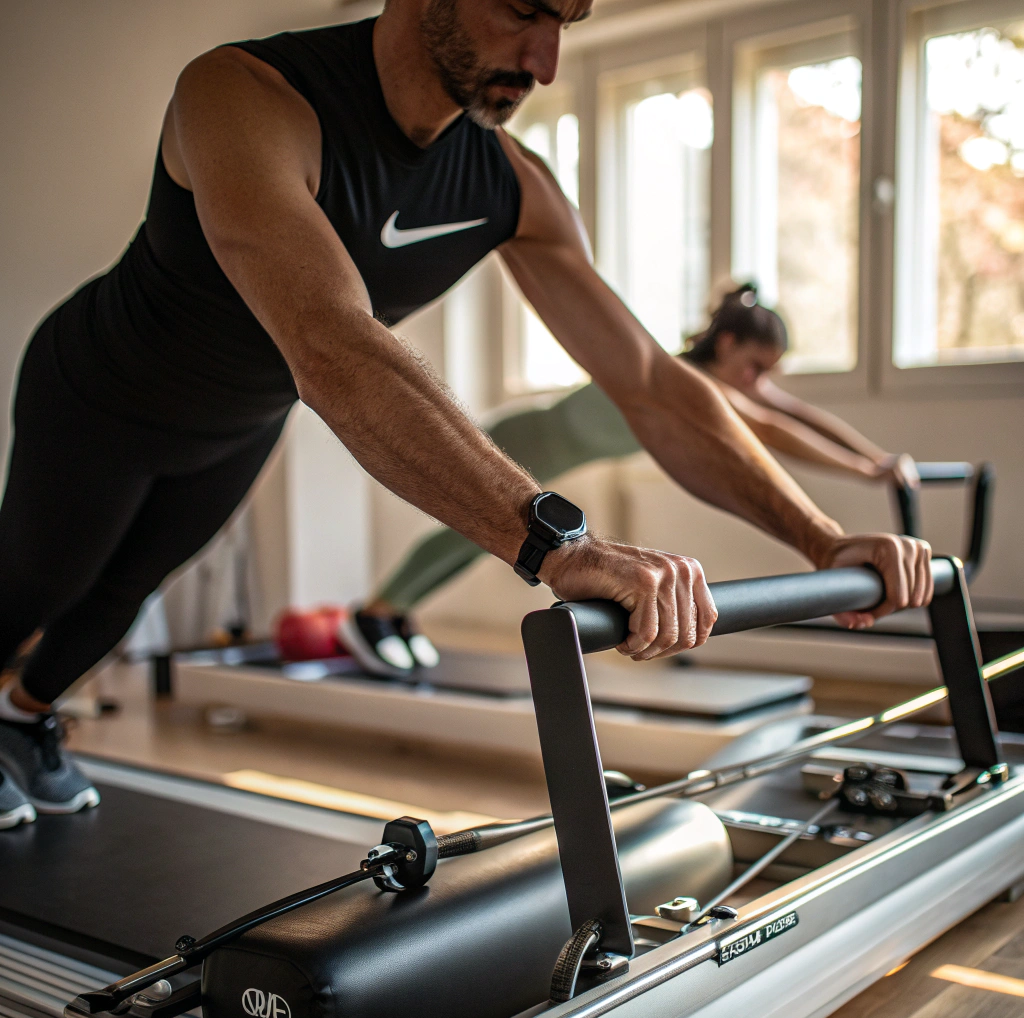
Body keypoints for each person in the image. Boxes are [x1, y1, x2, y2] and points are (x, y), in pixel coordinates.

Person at [0, 0, 932, 827]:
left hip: (237, 422)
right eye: (524, 12)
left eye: (565, 25)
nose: (544, 62)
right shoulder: (247, 96)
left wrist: (820, 540)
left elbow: (649, 379)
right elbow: (330, 343)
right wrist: (560, 544)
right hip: (98, 395)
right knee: (37, 584)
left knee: (123, 595)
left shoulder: (513, 186)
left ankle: (24, 723)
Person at [346, 282, 923, 675]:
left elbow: (791, 411)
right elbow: (770, 426)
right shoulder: (679, 383)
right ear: (726, 345)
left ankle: (396, 612)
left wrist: (878, 459)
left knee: (477, 548)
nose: (759, 382)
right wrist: (863, 470)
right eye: (754, 366)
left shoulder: (718, 387)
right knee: (463, 535)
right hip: (519, 445)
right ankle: (373, 613)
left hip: (550, 455)